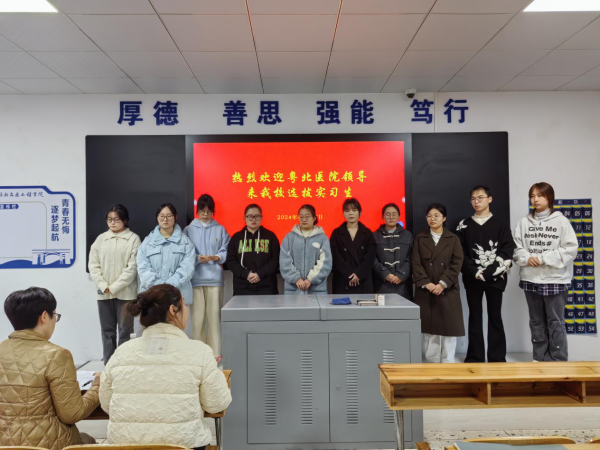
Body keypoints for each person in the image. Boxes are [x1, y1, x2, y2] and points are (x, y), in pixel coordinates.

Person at [100, 284, 232, 450]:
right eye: (184, 303)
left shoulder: (122, 352)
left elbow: (106, 403)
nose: (187, 309)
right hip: (185, 446)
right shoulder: (200, 352)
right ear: (173, 310)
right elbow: (217, 403)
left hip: (125, 446)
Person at [0, 287, 100, 450]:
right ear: (44, 316)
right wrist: (97, 387)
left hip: (4, 444)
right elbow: (72, 413)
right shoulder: (56, 355)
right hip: (49, 444)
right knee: (88, 441)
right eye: (55, 315)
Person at [513, 182, 577, 362]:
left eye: (540, 195)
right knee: (536, 321)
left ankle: (558, 359)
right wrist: (527, 258)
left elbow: (570, 249)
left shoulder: (561, 221)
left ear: (549, 198)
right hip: (531, 279)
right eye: (532, 196)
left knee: (555, 321)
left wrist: (542, 258)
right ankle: (539, 358)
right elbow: (517, 249)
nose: (535, 199)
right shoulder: (523, 223)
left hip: (555, 279)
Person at [456, 186, 516, 363]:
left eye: (480, 197)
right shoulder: (463, 225)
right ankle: (475, 357)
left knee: (495, 316)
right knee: (474, 316)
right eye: (473, 199)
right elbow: (459, 253)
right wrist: (475, 271)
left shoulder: (501, 224)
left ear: (490, 199)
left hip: (495, 277)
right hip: (472, 278)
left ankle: (497, 357)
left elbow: (507, 250)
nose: (476, 201)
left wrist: (489, 272)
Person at [89, 204, 141, 364]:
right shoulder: (100, 239)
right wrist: (103, 285)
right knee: (107, 330)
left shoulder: (133, 239)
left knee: (125, 330)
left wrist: (114, 287)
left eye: (116, 219)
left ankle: (124, 364)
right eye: (109, 219)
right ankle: (109, 364)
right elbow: (93, 265)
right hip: (103, 293)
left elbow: (132, 268)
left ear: (125, 220)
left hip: (126, 293)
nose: (112, 222)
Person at [412, 204, 465, 363]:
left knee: (449, 328)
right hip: (426, 290)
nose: (432, 219)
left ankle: (448, 361)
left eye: (436, 215)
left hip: (447, 289)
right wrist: (427, 283)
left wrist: (442, 283)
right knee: (430, 329)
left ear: (444, 218)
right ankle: (432, 360)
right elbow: (415, 263)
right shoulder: (420, 238)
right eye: (429, 216)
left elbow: (457, 263)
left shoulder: (453, 239)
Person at [183, 194, 230, 357]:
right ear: (197, 211)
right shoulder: (188, 230)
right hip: (195, 280)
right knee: (197, 320)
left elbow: (225, 248)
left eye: (209, 211)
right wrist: (197, 258)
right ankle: (199, 356)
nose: (205, 214)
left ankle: (215, 356)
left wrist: (217, 257)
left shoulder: (220, 229)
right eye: (202, 211)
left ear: (213, 212)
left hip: (215, 280)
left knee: (214, 319)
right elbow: (185, 252)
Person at [137, 203, 196, 333]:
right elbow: (143, 268)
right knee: (153, 336)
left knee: (177, 335)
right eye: (162, 216)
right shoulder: (147, 242)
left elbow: (187, 269)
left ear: (175, 217)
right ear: (157, 217)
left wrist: (167, 289)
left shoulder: (186, 242)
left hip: (177, 297)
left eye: (169, 216)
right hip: (151, 297)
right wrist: (159, 289)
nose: (165, 219)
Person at [225, 204, 280, 296]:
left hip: (267, 287)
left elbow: (276, 259)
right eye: (250, 216)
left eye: (257, 216)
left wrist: (260, 274)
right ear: (245, 218)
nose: (253, 219)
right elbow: (230, 261)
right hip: (242, 287)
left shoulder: (271, 236)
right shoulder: (236, 238)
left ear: (261, 217)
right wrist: (246, 274)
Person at [280, 204, 332, 294]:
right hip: (293, 290)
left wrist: (310, 279)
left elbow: (326, 262)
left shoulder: (323, 238)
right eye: (301, 217)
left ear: (314, 218)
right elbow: (284, 261)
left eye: (307, 217)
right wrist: (296, 278)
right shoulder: (289, 237)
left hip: (316, 290)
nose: (304, 220)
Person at [330, 198, 377, 294]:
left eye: (354, 210)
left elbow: (370, 257)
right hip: (343, 279)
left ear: (360, 212)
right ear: (343, 214)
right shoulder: (336, 233)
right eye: (347, 211)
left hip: (363, 279)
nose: (351, 213)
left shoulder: (367, 233)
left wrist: (358, 274)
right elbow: (336, 257)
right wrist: (350, 274)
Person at [373, 203, 413, 299]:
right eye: (388, 214)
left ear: (399, 216)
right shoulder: (375, 236)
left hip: (403, 285)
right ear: (383, 216)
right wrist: (385, 273)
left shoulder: (408, 235)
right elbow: (372, 259)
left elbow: (412, 258)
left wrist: (401, 274)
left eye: (394, 214)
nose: (391, 217)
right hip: (381, 284)